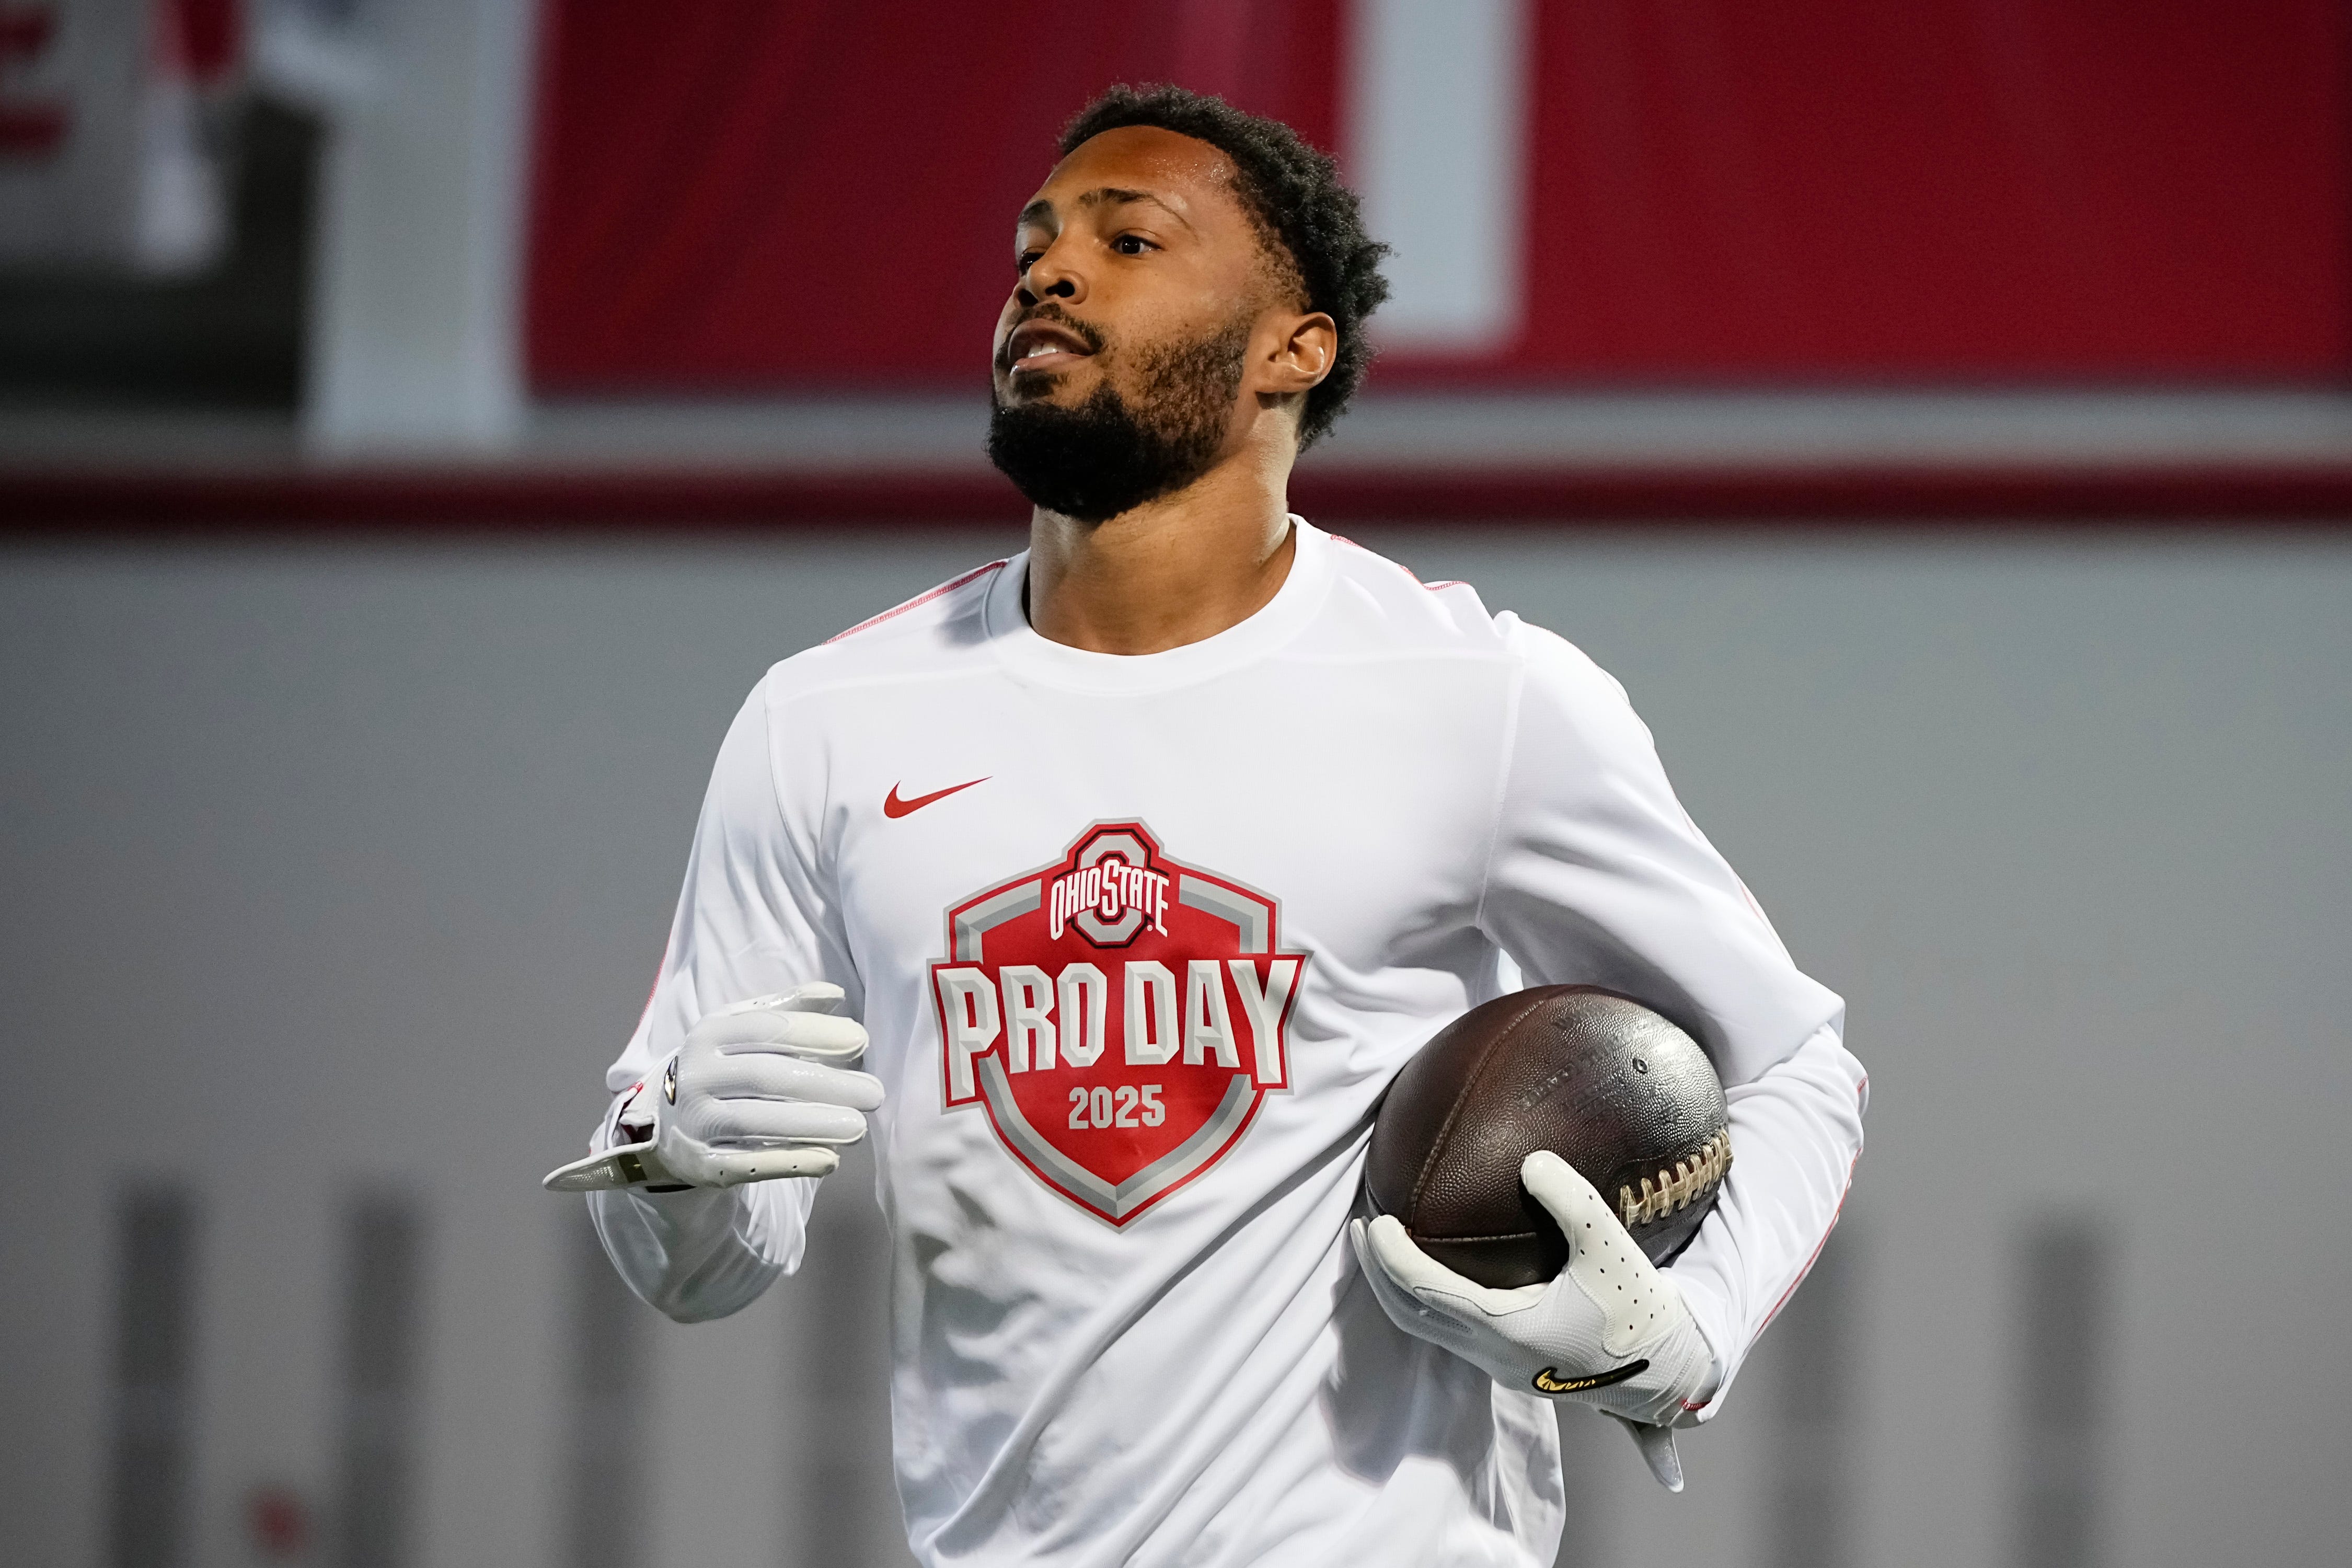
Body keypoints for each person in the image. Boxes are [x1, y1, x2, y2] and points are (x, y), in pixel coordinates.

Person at [547, 84, 1865, 1568]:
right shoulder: (825, 722)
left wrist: (1683, 1333)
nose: (1048, 271)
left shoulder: (1477, 695)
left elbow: (1794, 1070)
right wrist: (673, 1159)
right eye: (1035, 242)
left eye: (1129, 240)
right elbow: (702, 1277)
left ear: (1291, 349)